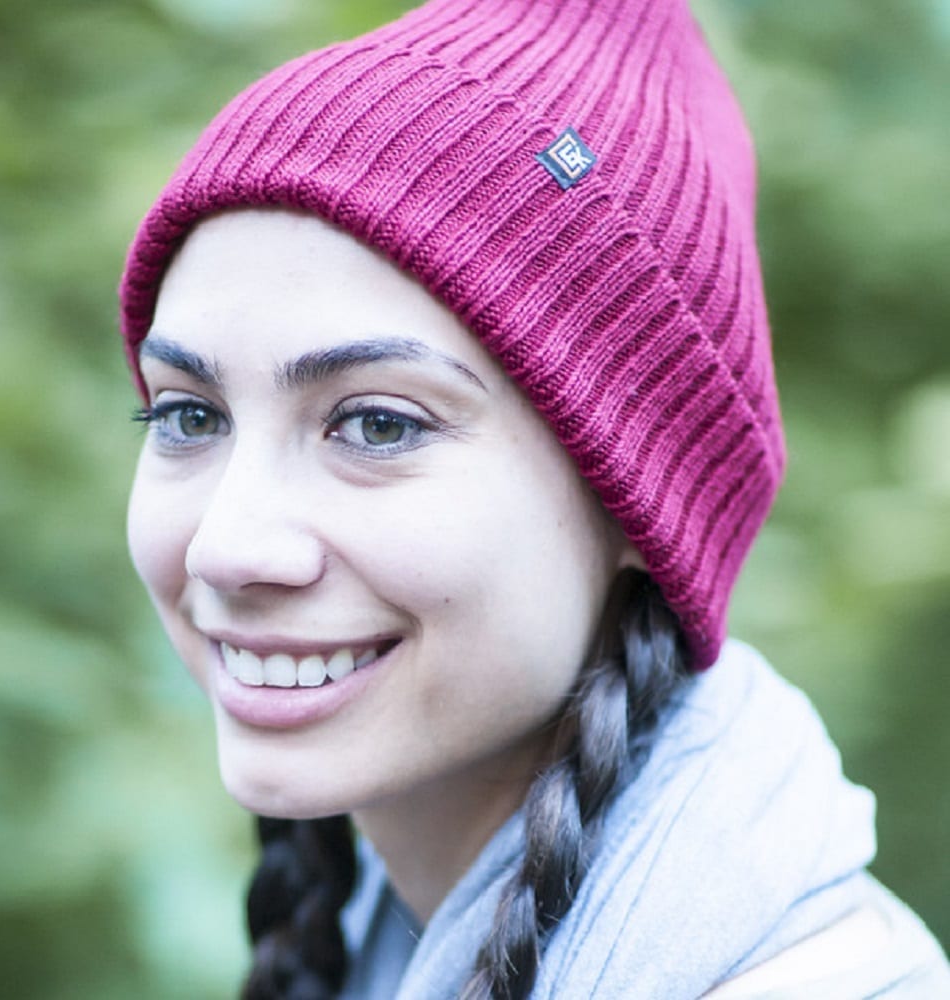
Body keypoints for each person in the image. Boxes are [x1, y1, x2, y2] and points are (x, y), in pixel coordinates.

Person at [120, 0, 950, 996]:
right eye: (189, 416)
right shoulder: (376, 933)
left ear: (635, 503)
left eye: (377, 423)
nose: (226, 544)